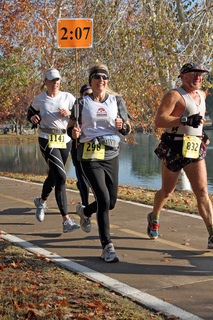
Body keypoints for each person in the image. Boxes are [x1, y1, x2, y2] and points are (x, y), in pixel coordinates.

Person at [67, 64, 131, 262]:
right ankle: (107, 246)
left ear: (107, 81)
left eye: (104, 77)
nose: (101, 80)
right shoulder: (80, 103)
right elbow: (70, 128)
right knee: (103, 199)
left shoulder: (116, 101)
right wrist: (74, 133)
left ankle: (85, 211)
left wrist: (123, 126)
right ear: (91, 80)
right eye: (97, 77)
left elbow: (128, 128)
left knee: (111, 202)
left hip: (111, 154)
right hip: (89, 156)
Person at [147, 62, 213, 249]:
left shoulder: (201, 94)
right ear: (183, 77)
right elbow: (159, 120)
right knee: (167, 191)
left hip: (194, 146)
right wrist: (184, 119)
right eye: (193, 74)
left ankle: (212, 233)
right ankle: (154, 217)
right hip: (174, 145)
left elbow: (197, 119)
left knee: (202, 191)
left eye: (200, 75)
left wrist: (202, 134)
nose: (197, 78)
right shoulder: (174, 95)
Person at [27, 68, 80, 233]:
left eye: (57, 80)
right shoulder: (39, 99)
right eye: (51, 80)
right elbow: (30, 112)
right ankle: (66, 221)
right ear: (45, 82)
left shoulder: (68, 97)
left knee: (54, 175)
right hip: (46, 139)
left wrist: (70, 113)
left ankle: (41, 201)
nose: (55, 83)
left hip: (65, 139)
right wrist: (32, 118)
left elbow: (79, 113)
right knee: (61, 177)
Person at [70, 85, 93, 207]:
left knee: (92, 178)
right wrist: (74, 133)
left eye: (91, 94)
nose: (88, 97)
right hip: (78, 149)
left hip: (95, 150)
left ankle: (82, 185)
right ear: (81, 95)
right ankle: (85, 205)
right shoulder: (77, 107)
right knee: (83, 178)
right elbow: (69, 126)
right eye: (86, 94)